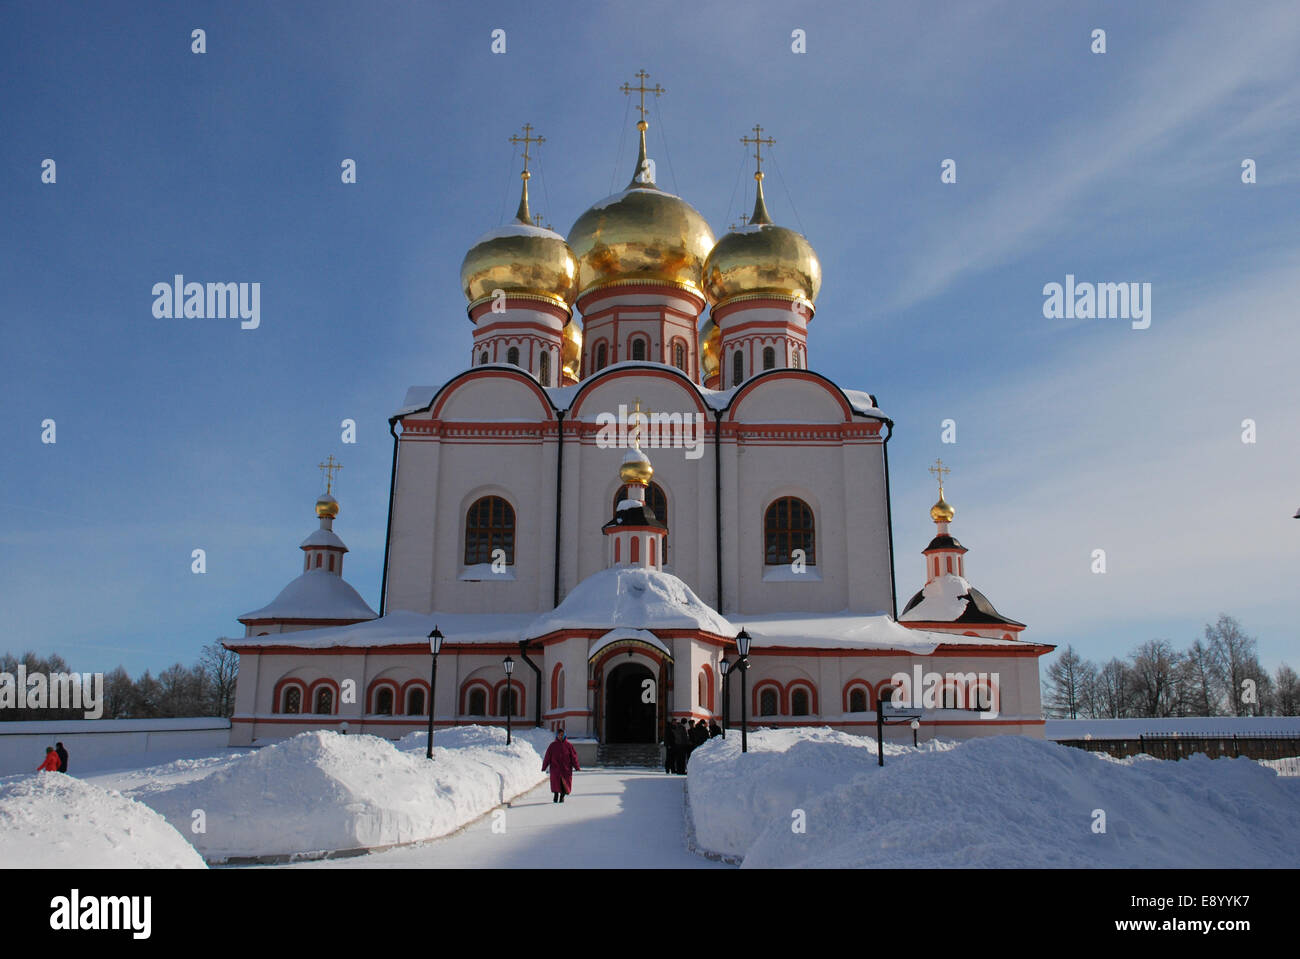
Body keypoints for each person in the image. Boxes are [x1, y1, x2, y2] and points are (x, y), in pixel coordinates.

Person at [541, 728, 580, 803]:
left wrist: (576, 766)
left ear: (564, 735)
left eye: (562, 735)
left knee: (565, 785)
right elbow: (547, 757)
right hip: (555, 769)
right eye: (559, 735)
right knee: (556, 783)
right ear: (557, 736)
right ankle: (556, 795)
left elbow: (573, 757)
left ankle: (562, 796)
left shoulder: (569, 746)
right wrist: (544, 767)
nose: (560, 736)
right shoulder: (552, 745)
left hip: (566, 769)